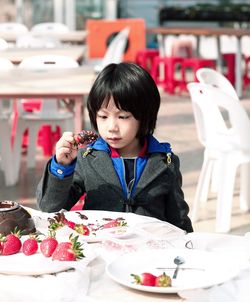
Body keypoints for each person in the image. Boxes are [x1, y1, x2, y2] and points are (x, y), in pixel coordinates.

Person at [36, 62, 193, 233]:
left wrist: (188, 249)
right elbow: (49, 207)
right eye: (103, 116)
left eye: (123, 116)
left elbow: (179, 220)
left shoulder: (165, 162)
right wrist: (61, 167)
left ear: (144, 116)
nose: (112, 127)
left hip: (149, 252)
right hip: (100, 248)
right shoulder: (87, 159)